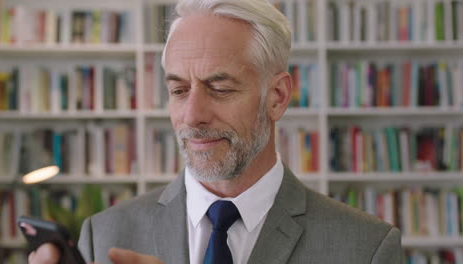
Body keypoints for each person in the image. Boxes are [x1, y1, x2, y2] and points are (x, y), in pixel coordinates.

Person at [29, 0, 402, 263]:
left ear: (277, 97)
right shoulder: (104, 235)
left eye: (220, 89)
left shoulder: (366, 247)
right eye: (178, 90)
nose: (192, 115)